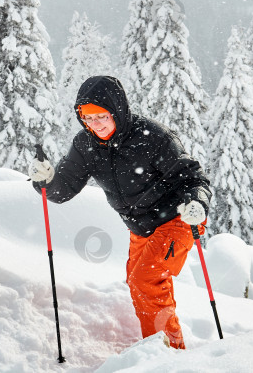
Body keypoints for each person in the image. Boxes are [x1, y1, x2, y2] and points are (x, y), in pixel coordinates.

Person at [29, 75, 212, 349]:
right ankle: (157, 347)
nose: (95, 124)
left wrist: (197, 203)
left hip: (179, 219)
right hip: (140, 227)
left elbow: (193, 178)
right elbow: (63, 190)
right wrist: (45, 181)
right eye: (87, 118)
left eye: (101, 116)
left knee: (146, 279)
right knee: (139, 285)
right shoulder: (86, 145)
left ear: (116, 110)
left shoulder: (153, 137)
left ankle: (169, 355)